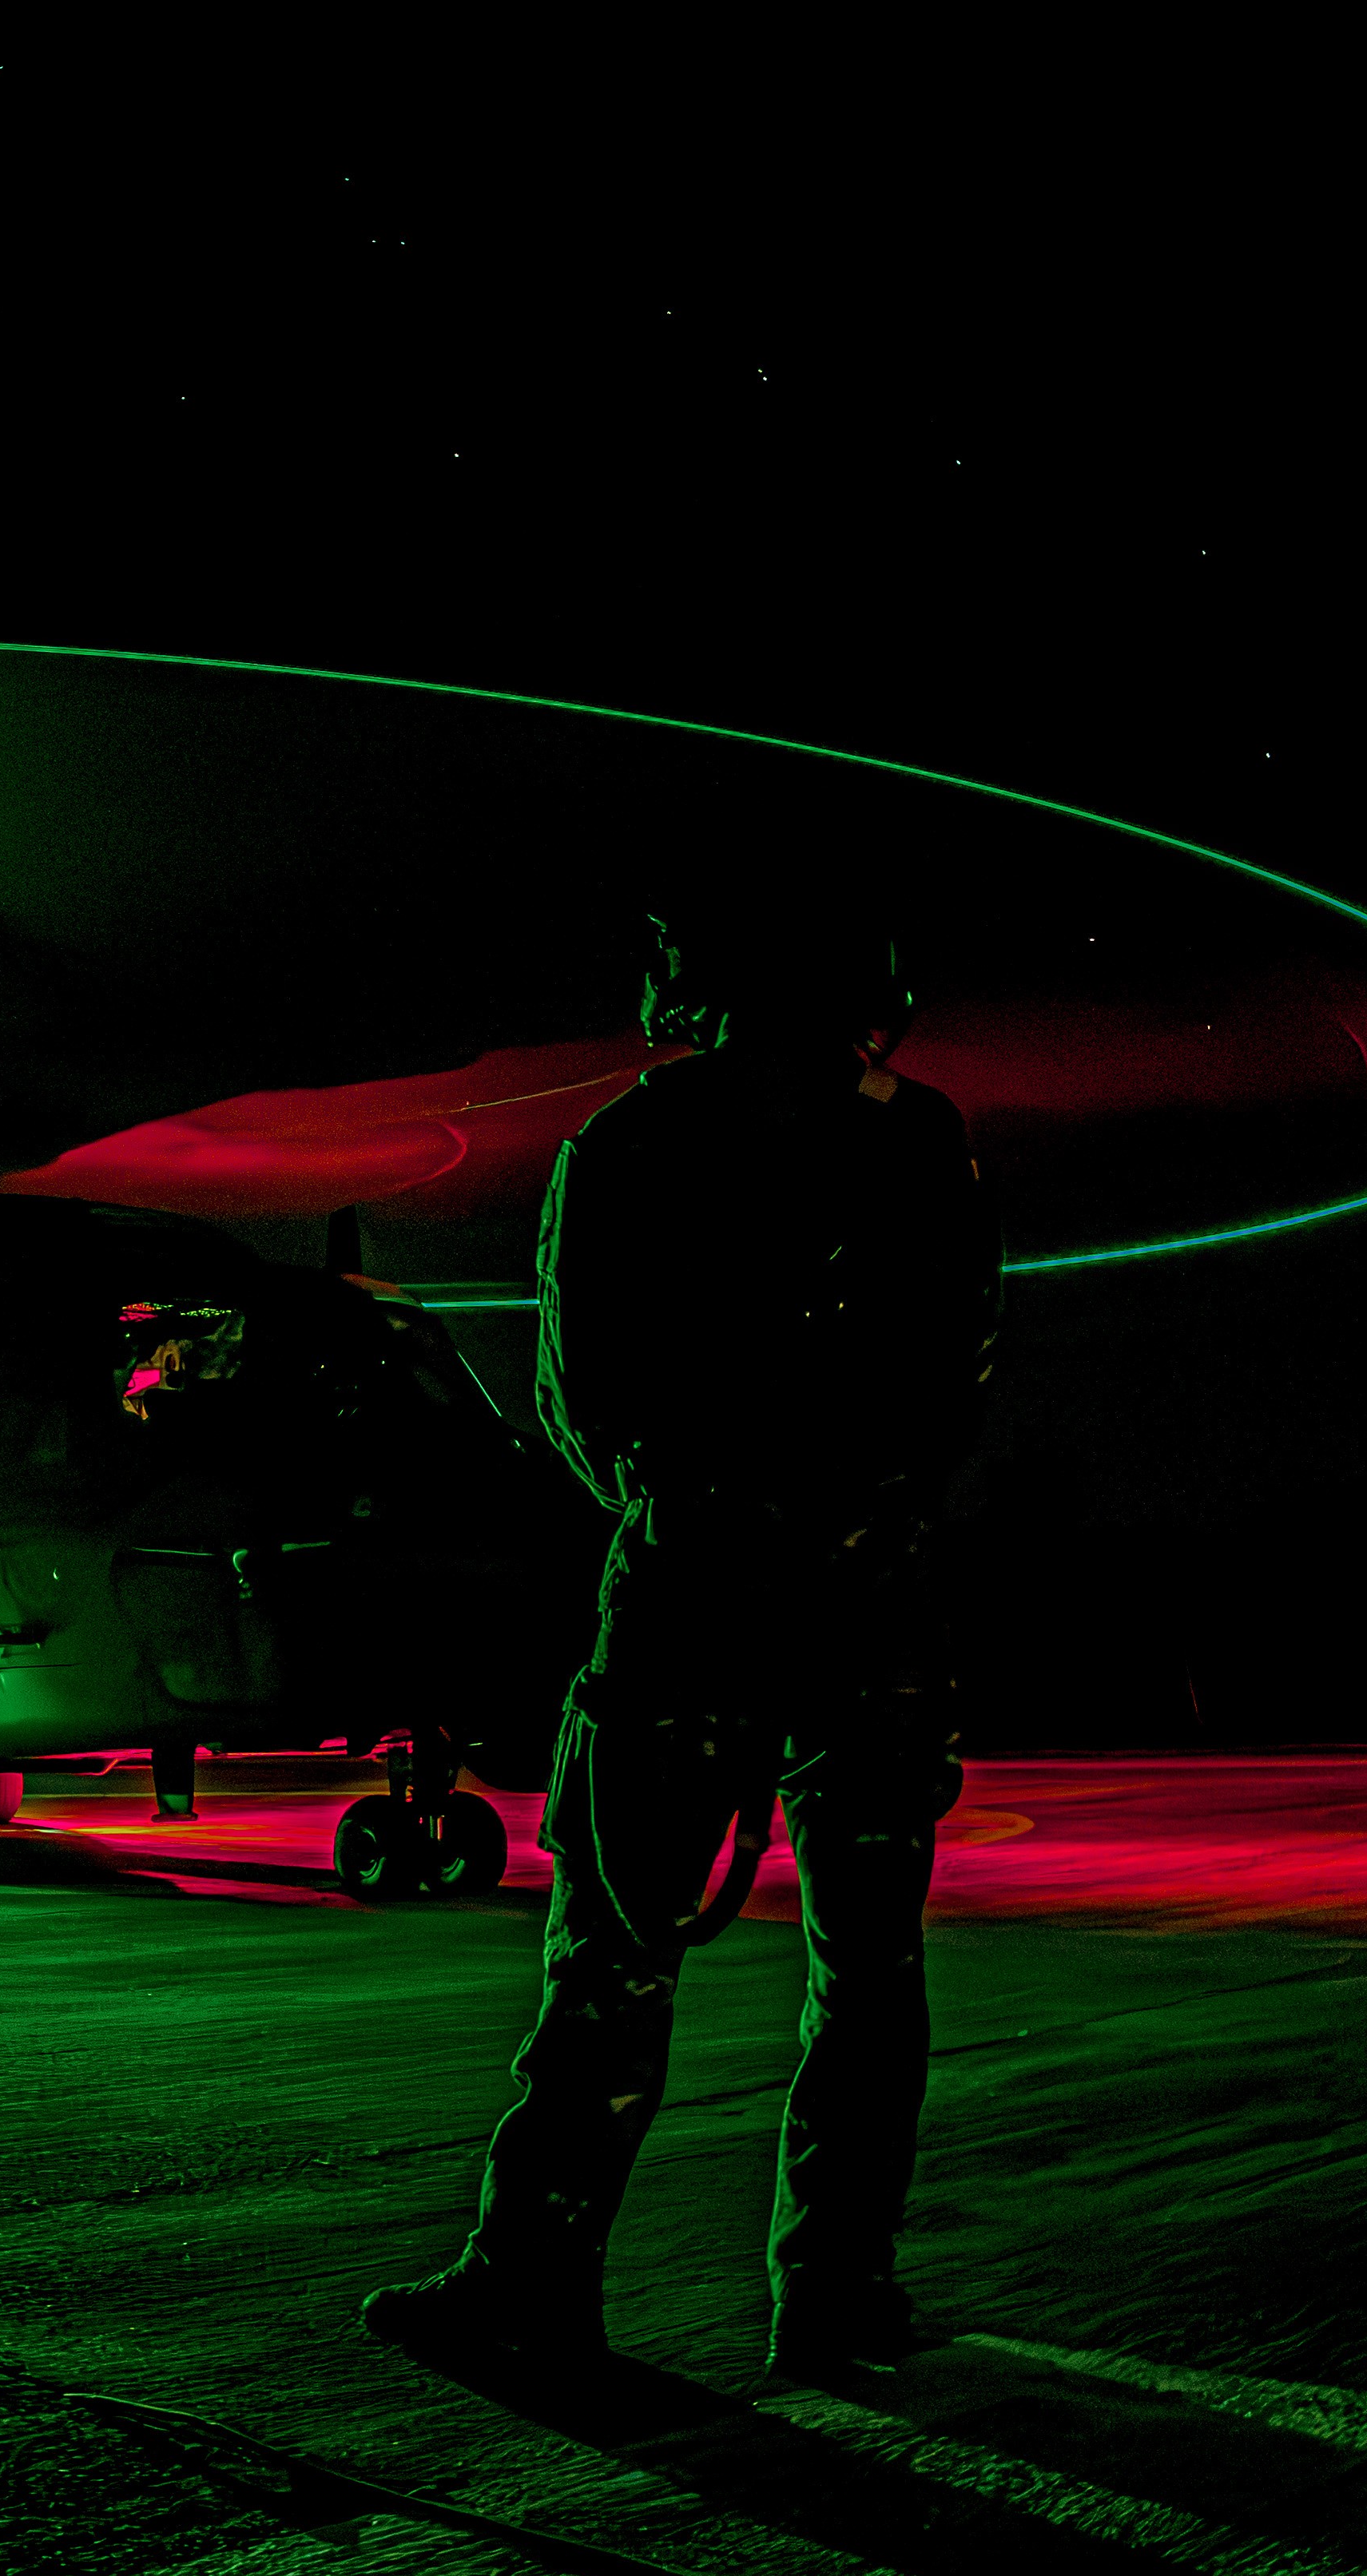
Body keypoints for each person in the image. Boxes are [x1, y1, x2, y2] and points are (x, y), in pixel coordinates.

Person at [364, 911, 1002, 2376]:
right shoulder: (926, 1139)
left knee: (610, 1958)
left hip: (692, 1597)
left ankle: (532, 2277)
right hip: (875, 1606)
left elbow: (577, 1395)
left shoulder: (634, 1139)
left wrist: (695, 1508)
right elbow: (960, 1377)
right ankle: (837, 2295)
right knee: (868, 1966)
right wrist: (859, 1513)